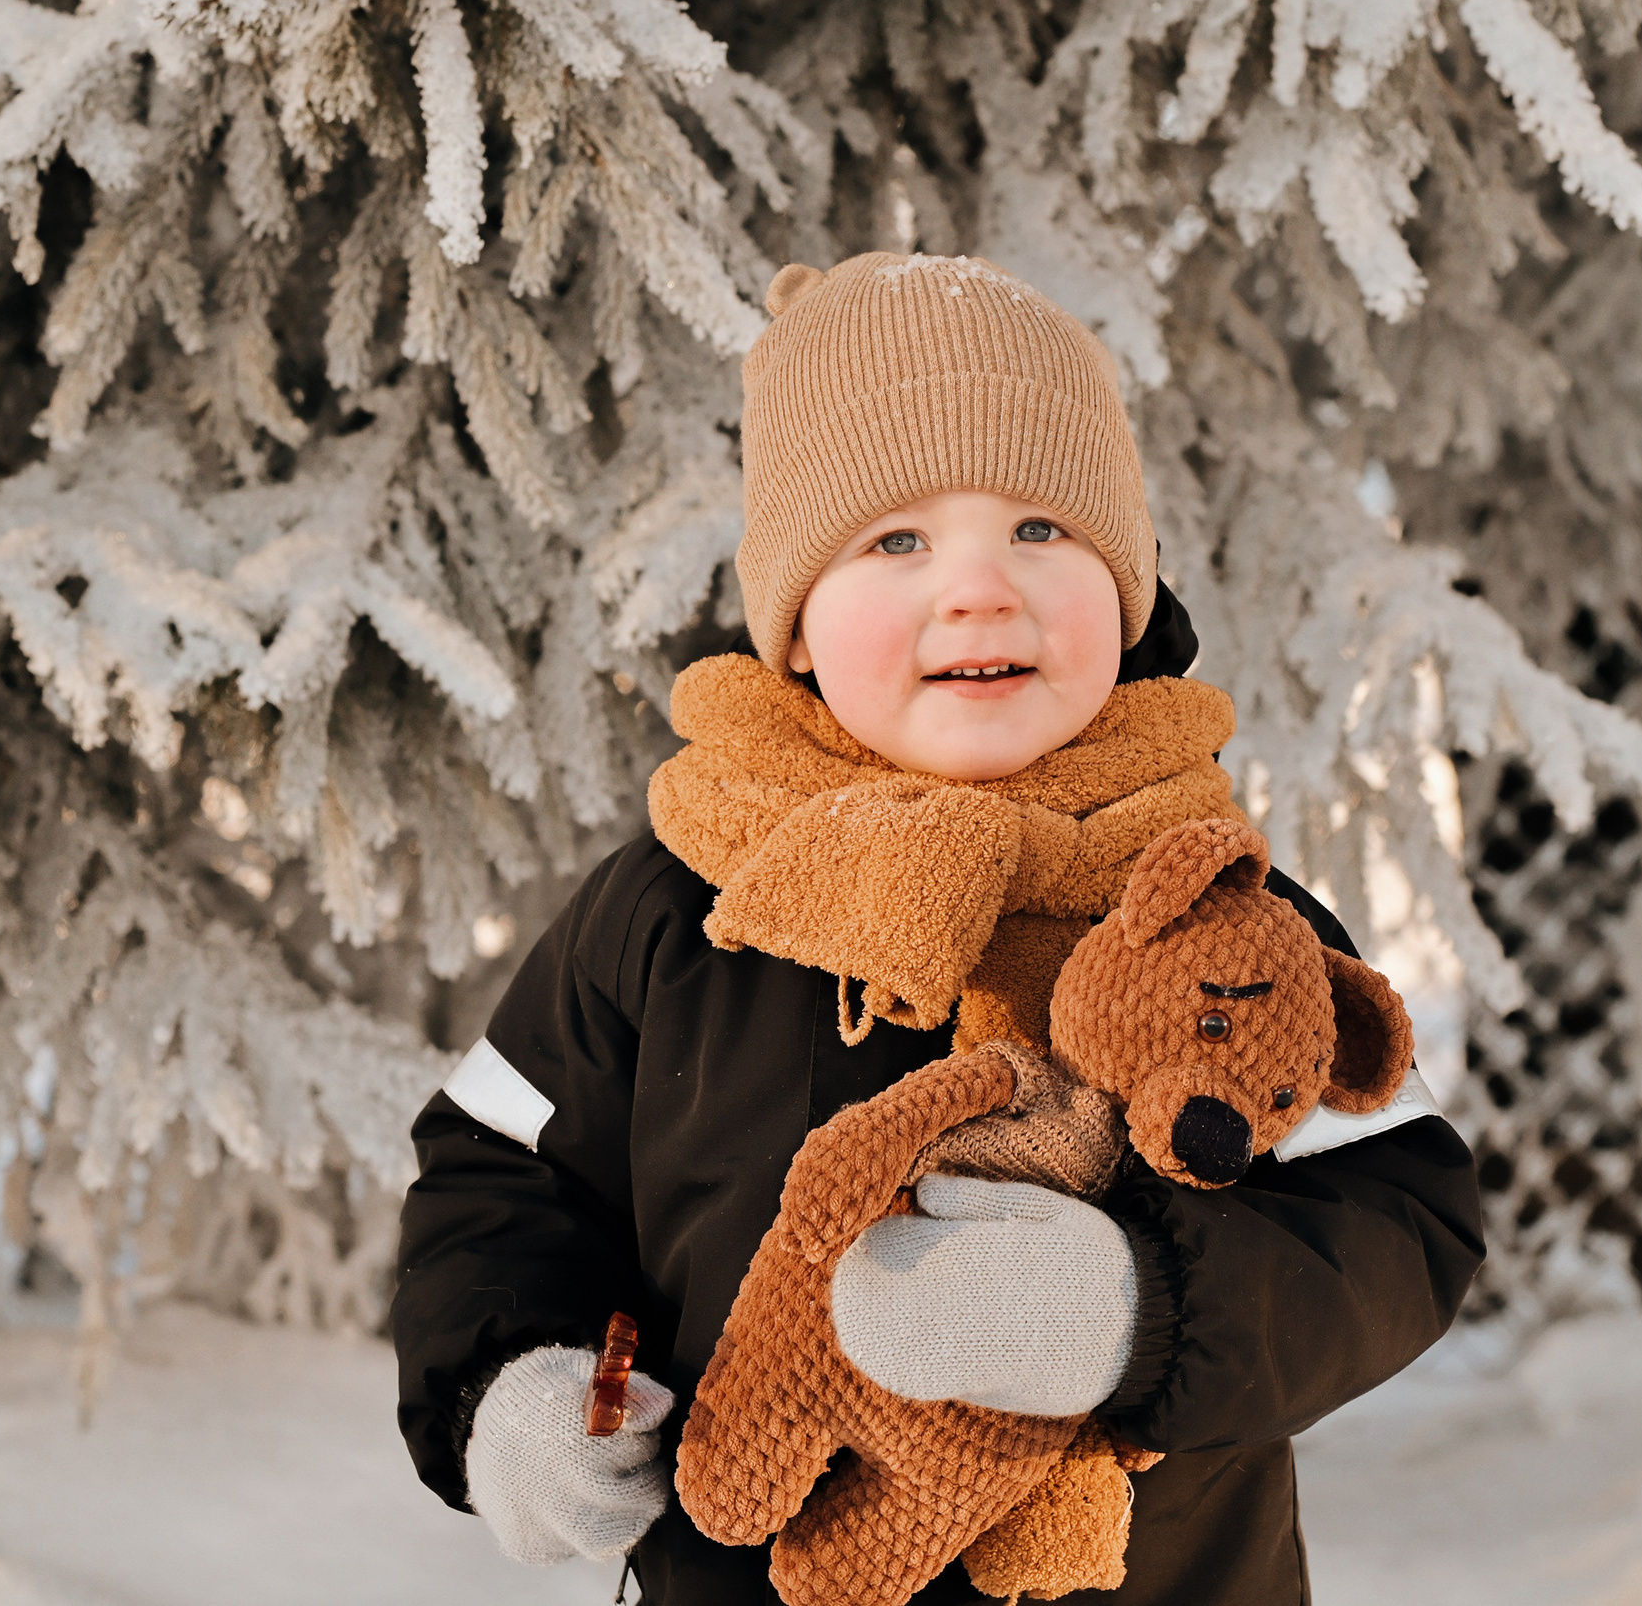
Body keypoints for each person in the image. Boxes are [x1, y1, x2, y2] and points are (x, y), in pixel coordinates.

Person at [391, 251, 1485, 1605]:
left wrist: (1134, 1312)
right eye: (895, 541)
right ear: (794, 625)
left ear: (1128, 581)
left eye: (1043, 530)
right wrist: (508, 1382)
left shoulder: (1215, 905)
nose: (978, 591)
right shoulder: (682, 909)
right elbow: (497, 1172)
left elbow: (1399, 1221)